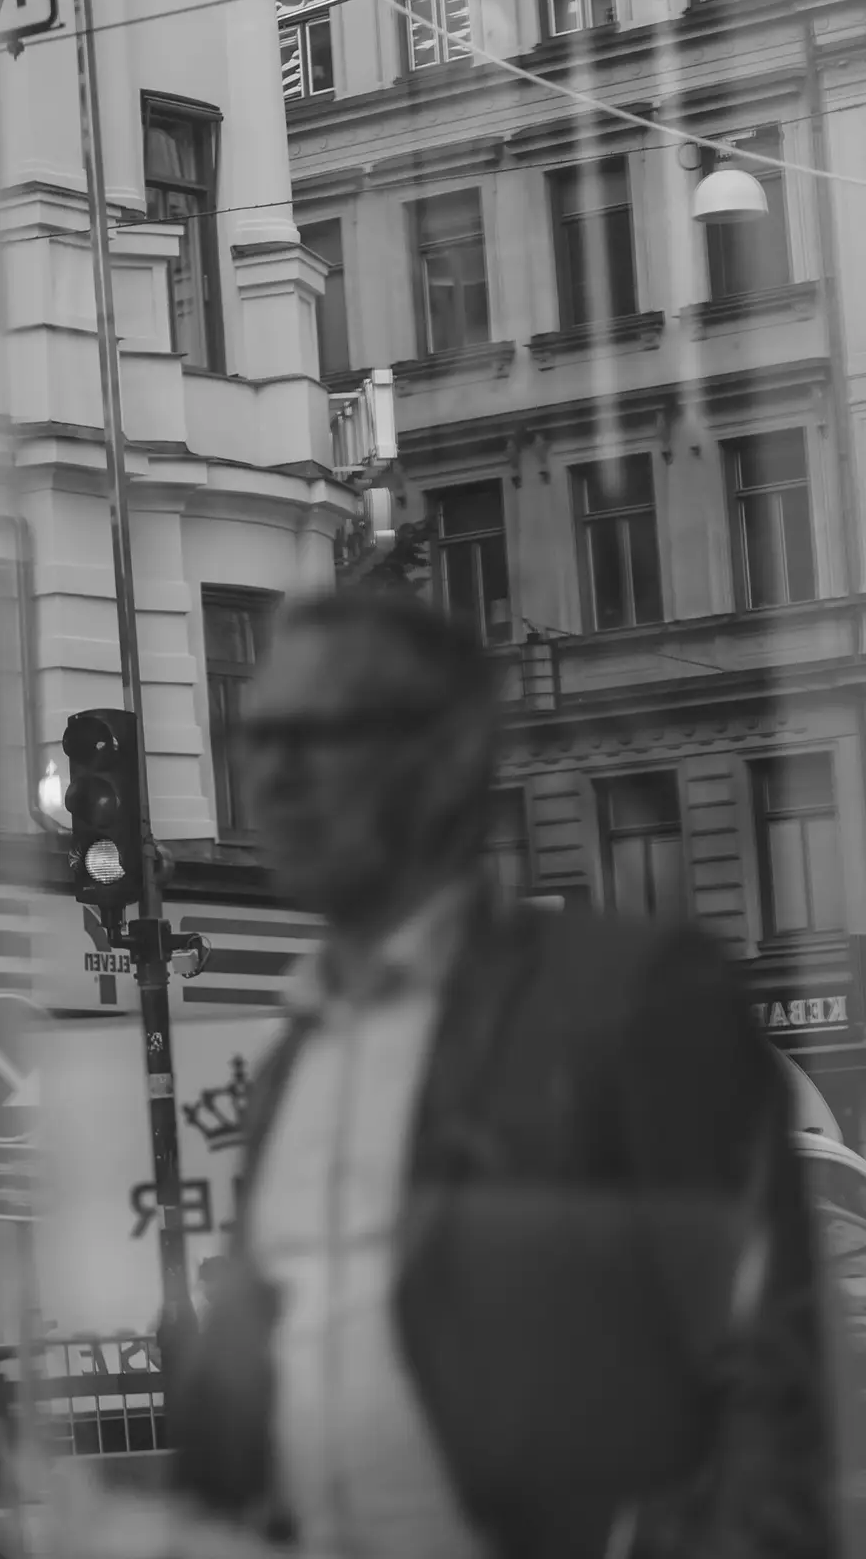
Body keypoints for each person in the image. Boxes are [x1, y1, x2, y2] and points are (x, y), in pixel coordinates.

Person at [140, 586, 833, 1559]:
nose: (273, 773)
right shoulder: (300, 1054)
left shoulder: (628, 997)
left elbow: (764, 1392)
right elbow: (263, 1399)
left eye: (320, 734)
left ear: (449, 759)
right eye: (257, 736)